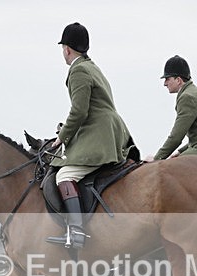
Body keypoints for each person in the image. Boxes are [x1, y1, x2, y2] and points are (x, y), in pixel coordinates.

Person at [46, 22, 136, 250]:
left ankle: (76, 231)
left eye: (63, 49)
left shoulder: (78, 70)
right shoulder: (92, 66)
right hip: (110, 130)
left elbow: (79, 110)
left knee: (64, 175)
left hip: (99, 134)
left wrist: (62, 137)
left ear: (66, 48)